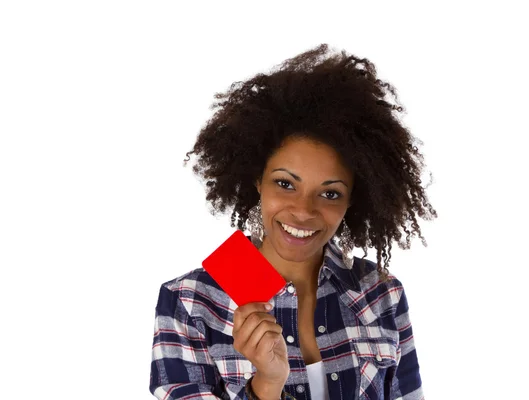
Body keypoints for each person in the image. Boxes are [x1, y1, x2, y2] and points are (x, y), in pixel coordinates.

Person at [149, 43, 437, 400]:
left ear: (354, 201)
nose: (303, 210)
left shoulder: (380, 294)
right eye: (285, 184)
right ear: (257, 180)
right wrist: (266, 384)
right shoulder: (191, 303)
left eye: (330, 193)